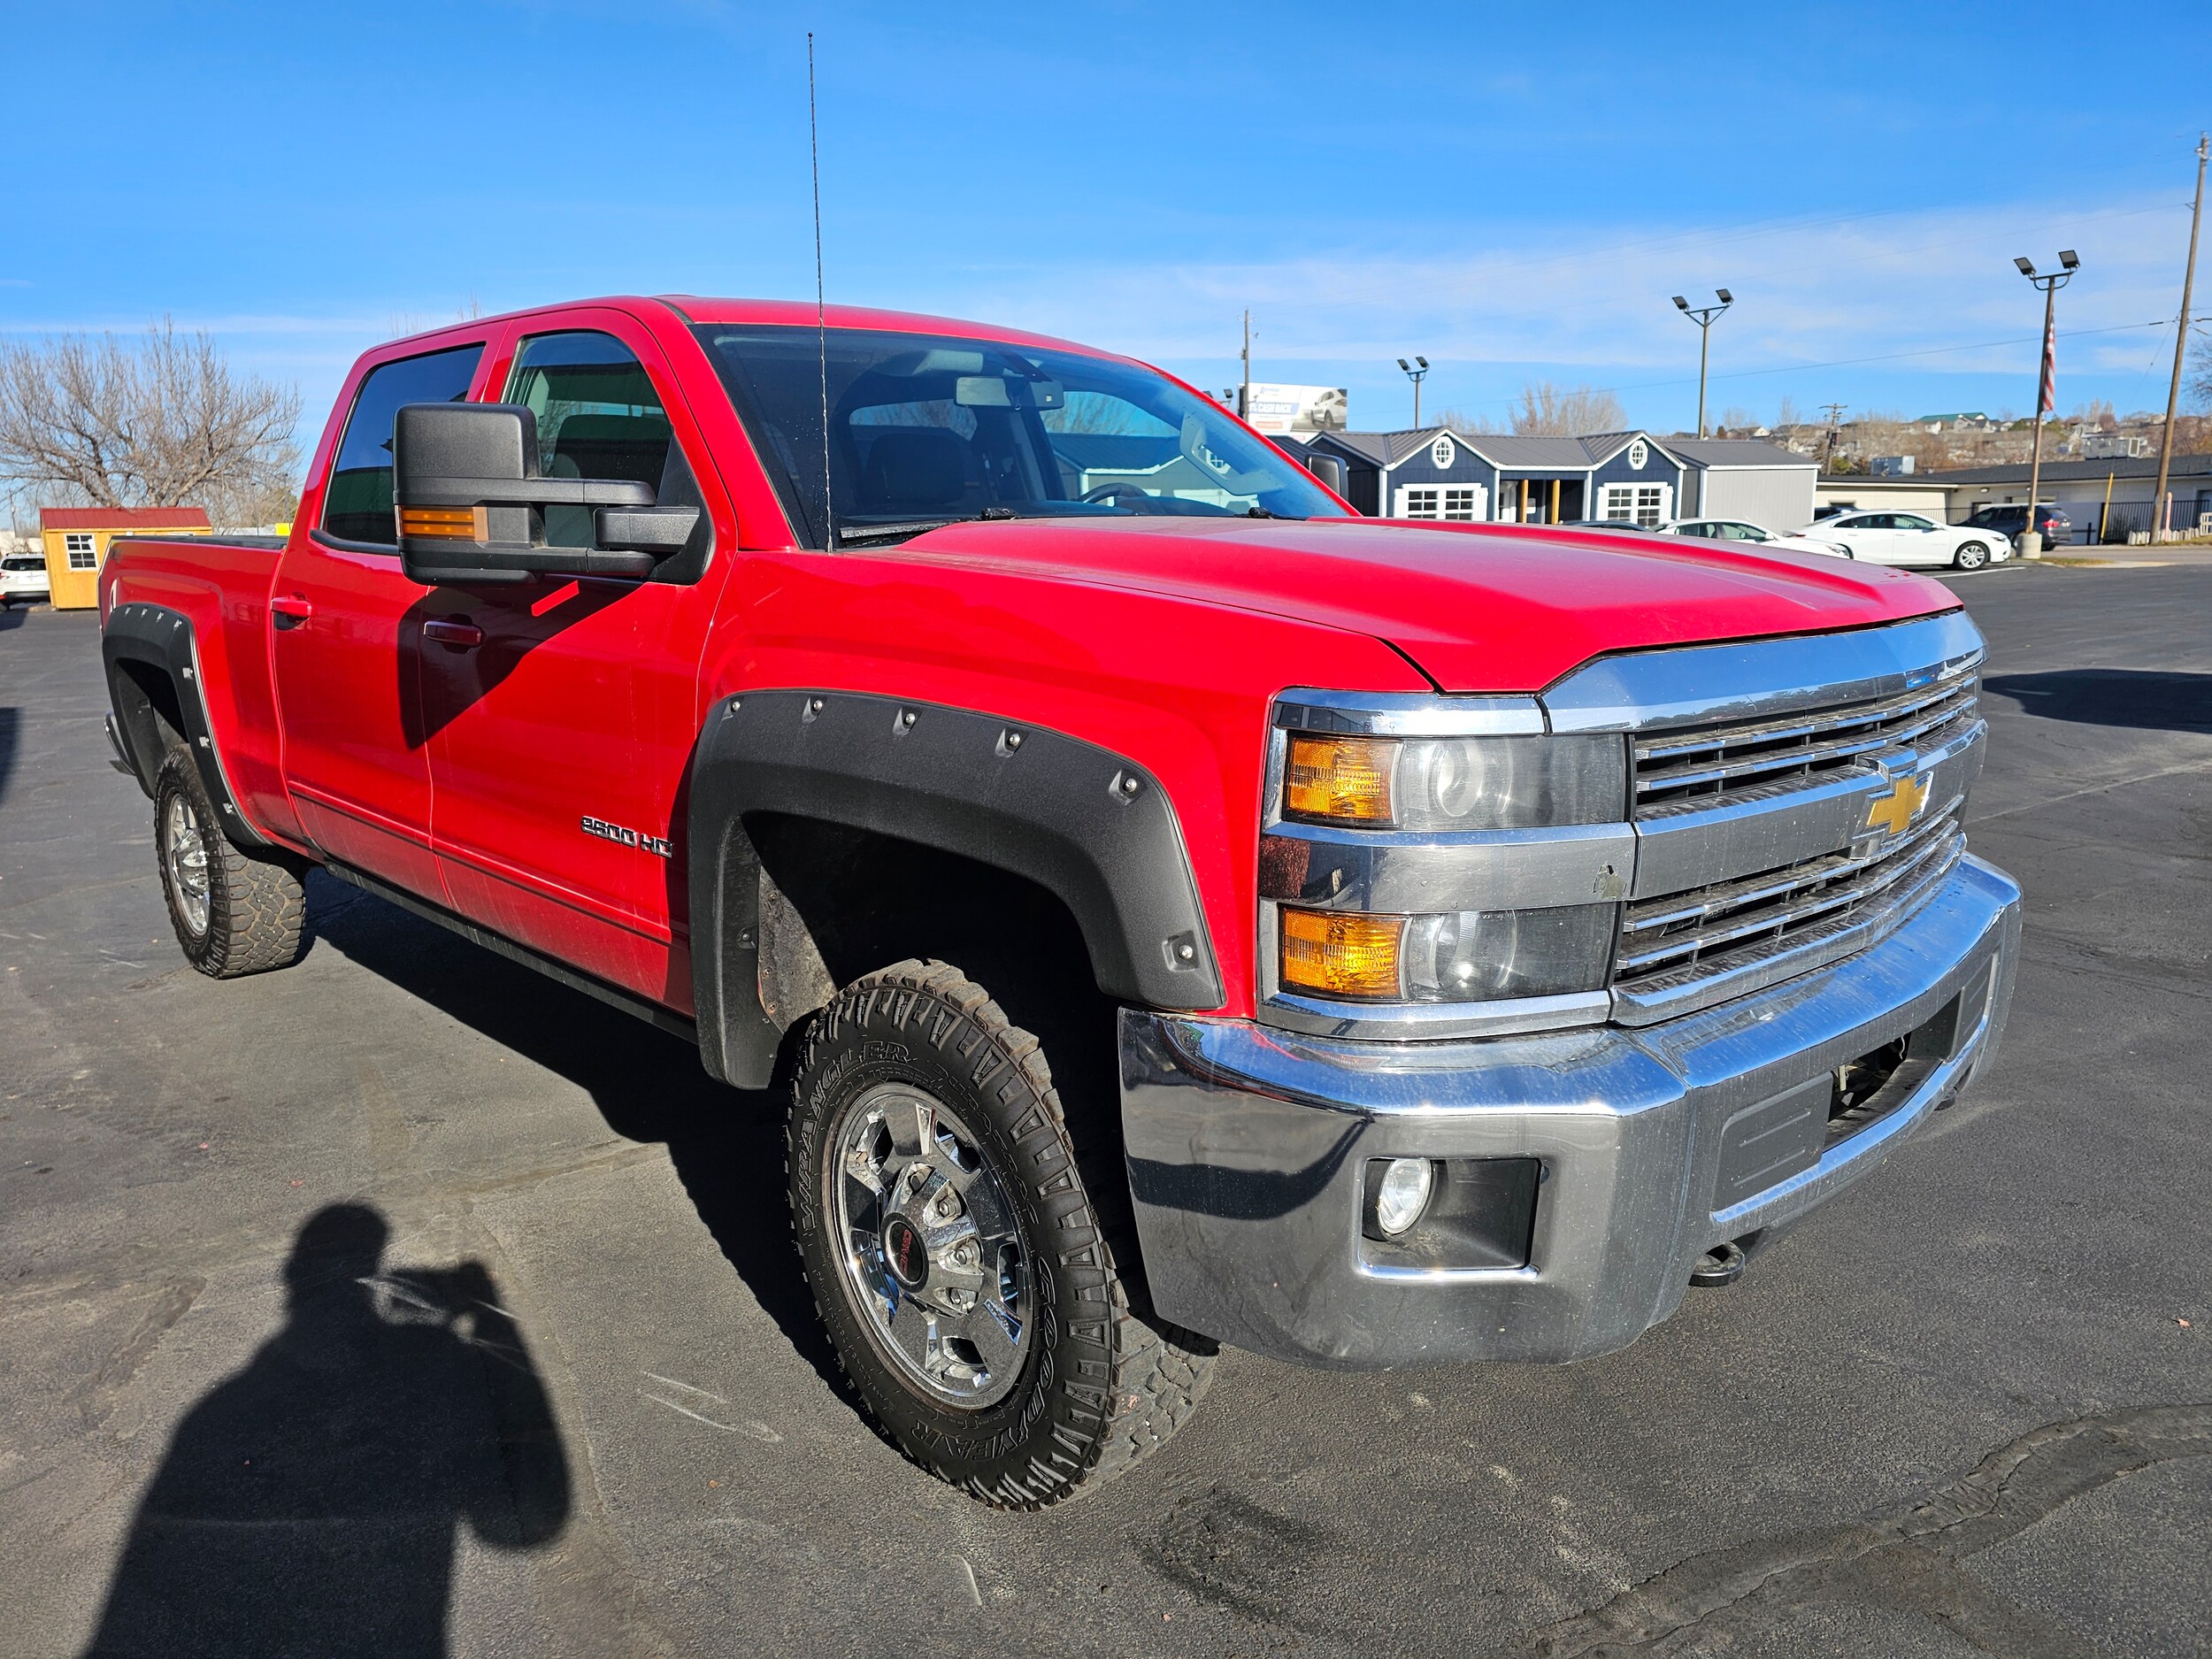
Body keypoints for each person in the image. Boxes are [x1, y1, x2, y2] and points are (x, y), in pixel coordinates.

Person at [84, 1203, 569, 1657]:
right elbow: (521, 1528)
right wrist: (489, 1314)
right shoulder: (432, 1366)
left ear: (292, 1276)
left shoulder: (222, 1408)